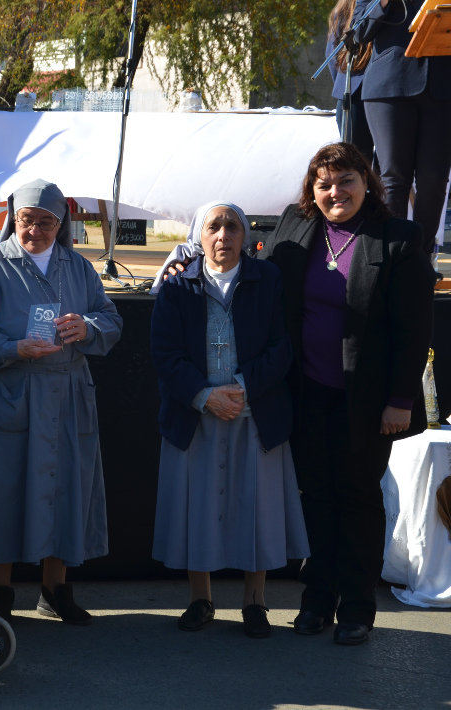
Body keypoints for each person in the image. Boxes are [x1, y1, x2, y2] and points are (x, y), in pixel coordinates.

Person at [262, 142, 433, 645]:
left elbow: (414, 330)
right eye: (324, 184)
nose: (335, 192)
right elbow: (261, 284)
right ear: (311, 191)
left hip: (370, 401)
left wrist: (400, 399)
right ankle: (317, 601)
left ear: (367, 181)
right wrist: (195, 266)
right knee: (314, 498)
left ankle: (358, 608)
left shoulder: (399, 238)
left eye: (346, 181)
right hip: (306, 392)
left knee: (357, 500)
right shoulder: (296, 228)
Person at [0, 179, 123, 625]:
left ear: (61, 223)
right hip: (9, 393)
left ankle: (56, 589)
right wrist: (14, 349)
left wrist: (86, 327)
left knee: (65, 489)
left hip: (67, 395)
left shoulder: (79, 268)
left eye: (47, 222)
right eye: (27, 220)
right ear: (13, 218)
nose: (36, 231)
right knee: (1, 490)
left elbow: (110, 319)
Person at [150, 202, 309, 638]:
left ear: (245, 235)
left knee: (255, 509)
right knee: (196, 510)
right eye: (213, 227)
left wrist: (240, 387)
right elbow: (165, 354)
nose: (223, 236)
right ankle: (201, 600)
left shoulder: (269, 280)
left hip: (254, 411)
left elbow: (282, 347)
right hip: (196, 416)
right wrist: (204, 396)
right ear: (199, 237)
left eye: (232, 227)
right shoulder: (176, 286)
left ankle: (255, 603)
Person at [353, 0, 451, 256]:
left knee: (435, 179)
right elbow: (360, 32)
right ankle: (391, 255)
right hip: (390, 84)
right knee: (394, 177)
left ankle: (420, 257)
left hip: (442, 88)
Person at [326, 0, 375, 161]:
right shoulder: (344, 10)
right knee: (358, 162)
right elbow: (333, 56)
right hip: (353, 90)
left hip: (356, 88)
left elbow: (331, 55)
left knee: (362, 164)